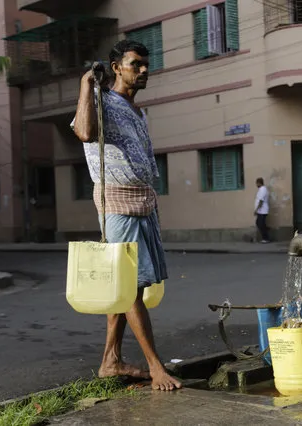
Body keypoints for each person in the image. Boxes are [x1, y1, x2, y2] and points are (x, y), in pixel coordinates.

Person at [72, 40, 182, 391]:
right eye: (136, 64)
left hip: (143, 202)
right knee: (130, 288)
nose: (144, 70)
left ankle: (111, 360)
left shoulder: (137, 110)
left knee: (125, 287)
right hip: (117, 204)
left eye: (146, 65)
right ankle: (156, 367)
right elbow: (85, 133)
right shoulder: (101, 101)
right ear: (116, 67)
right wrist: (86, 85)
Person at [254, 177, 271, 243]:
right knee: (259, 223)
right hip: (261, 210)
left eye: (257, 183)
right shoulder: (262, 189)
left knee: (261, 224)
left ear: (259, 183)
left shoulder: (263, 190)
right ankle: (266, 234)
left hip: (262, 211)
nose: (256, 185)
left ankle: (266, 238)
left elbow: (261, 201)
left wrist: (256, 210)